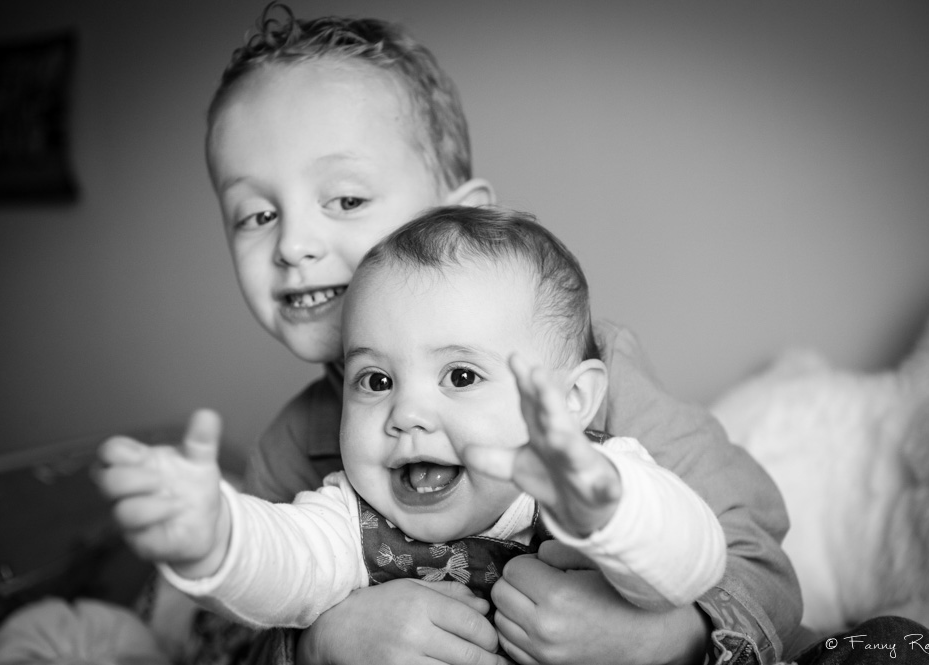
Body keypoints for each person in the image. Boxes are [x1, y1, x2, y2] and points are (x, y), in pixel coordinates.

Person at [135, 4, 805, 664]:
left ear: (464, 217)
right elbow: (262, 590)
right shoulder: (290, 451)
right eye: (255, 214)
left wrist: (672, 636)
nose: (295, 244)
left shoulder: (592, 373)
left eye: (345, 199)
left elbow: (756, 558)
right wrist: (319, 643)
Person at [96, 207, 729, 646]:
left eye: (459, 377)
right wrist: (216, 537)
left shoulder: (599, 476)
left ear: (572, 402)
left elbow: (692, 565)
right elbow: (285, 563)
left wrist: (613, 507)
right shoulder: (354, 521)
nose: (406, 414)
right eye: (375, 381)